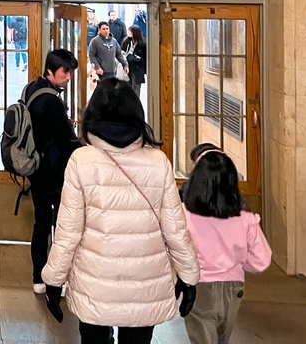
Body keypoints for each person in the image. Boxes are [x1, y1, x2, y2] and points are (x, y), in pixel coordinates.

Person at [42, 77, 200, 344]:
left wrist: (53, 280)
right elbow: (175, 228)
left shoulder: (82, 160)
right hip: (145, 282)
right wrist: (188, 275)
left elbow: (68, 232)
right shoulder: (158, 161)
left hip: (95, 281)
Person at [182, 150, 272, 344]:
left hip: (199, 286)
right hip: (233, 288)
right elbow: (261, 260)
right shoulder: (246, 220)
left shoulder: (183, 215)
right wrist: (239, 263)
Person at [25, 49, 83, 295]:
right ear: (51, 70)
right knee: (62, 227)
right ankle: (56, 280)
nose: (68, 77)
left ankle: (38, 277)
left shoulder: (31, 89)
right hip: (55, 173)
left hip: (35, 168)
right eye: (65, 72)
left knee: (40, 224)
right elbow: (68, 140)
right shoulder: (52, 101)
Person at [122, 25, 148, 98]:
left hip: (138, 68)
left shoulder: (142, 44)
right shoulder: (126, 41)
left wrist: (145, 70)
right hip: (128, 67)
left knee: (136, 87)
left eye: (131, 31)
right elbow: (122, 52)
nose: (129, 33)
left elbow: (145, 57)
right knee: (128, 87)